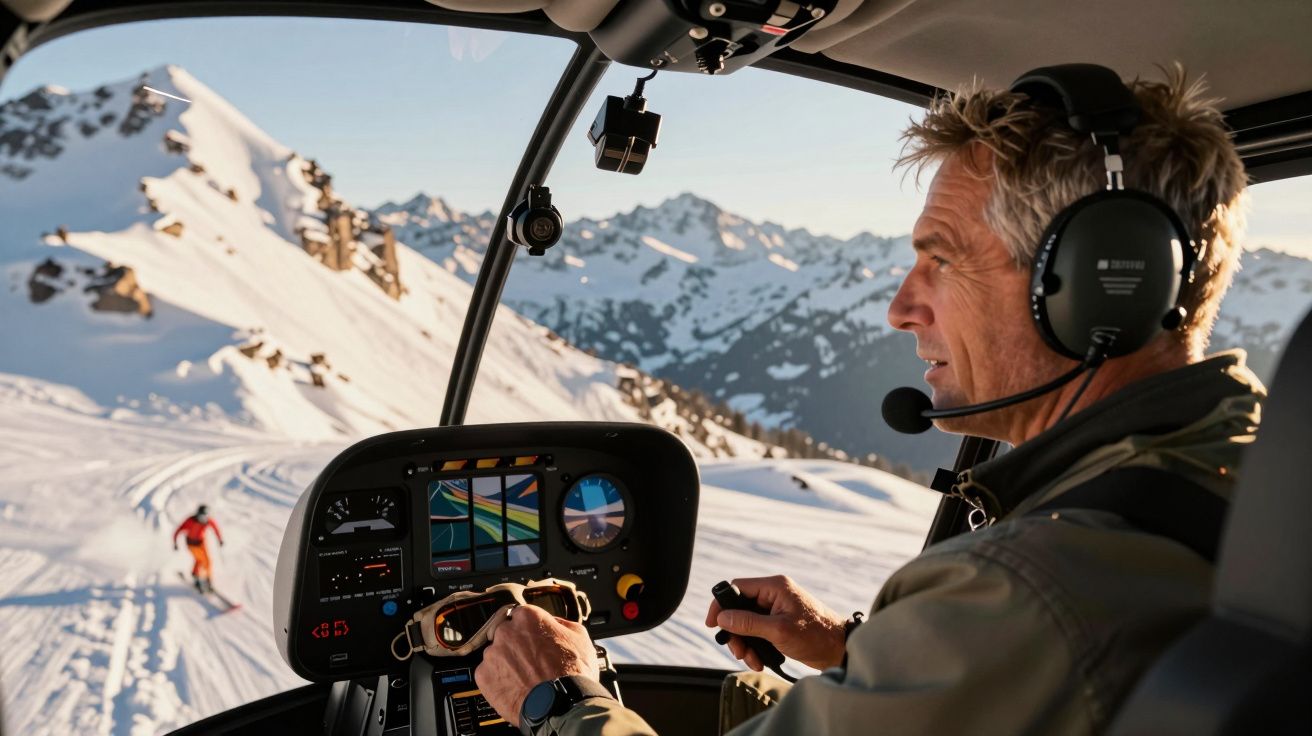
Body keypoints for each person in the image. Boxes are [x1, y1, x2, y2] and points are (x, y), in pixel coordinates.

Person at [473, 65, 1258, 735]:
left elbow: (1039, 630)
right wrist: (862, 650)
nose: (900, 307)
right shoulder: (1243, 469)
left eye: (940, 261)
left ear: (1096, 283)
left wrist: (558, 696)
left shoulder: (1036, 587)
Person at [173, 504, 224, 593]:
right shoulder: (190, 521)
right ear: (197, 515)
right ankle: (197, 577)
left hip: (202, 543)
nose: (203, 519)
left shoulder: (208, 521)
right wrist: (175, 542)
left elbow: (216, 528)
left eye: (205, 517)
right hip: (191, 544)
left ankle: (206, 579)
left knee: (208, 560)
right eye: (201, 517)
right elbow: (178, 530)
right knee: (201, 560)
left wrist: (220, 539)